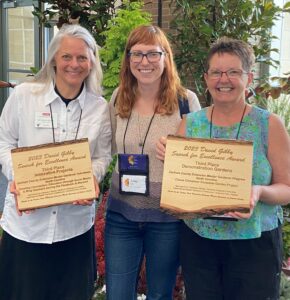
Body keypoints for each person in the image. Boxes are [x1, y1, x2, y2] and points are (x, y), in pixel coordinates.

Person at [156, 37, 290, 300]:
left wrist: (258, 191)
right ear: (206, 78)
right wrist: (170, 159)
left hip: (255, 244)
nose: (223, 79)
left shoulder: (269, 124)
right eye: (216, 72)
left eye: (233, 72)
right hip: (200, 242)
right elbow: (183, 183)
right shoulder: (190, 124)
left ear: (248, 78)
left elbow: (287, 188)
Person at [0, 24, 111, 300]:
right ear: (53, 60)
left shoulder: (100, 108)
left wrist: (91, 178)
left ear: (91, 62)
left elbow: (102, 156)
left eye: (82, 57)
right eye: (67, 57)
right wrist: (18, 176)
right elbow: (4, 142)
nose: (74, 64)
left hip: (74, 230)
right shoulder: (25, 96)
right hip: (26, 230)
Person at [104, 24, 200, 300]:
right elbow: (106, 149)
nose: (144, 61)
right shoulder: (118, 98)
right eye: (137, 54)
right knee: (118, 294)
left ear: (166, 58)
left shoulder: (186, 101)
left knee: (160, 294)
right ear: (128, 59)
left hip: (166, 218)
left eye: (153, 54)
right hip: (121, 215)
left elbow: (198, 163)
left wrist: (180, 155)